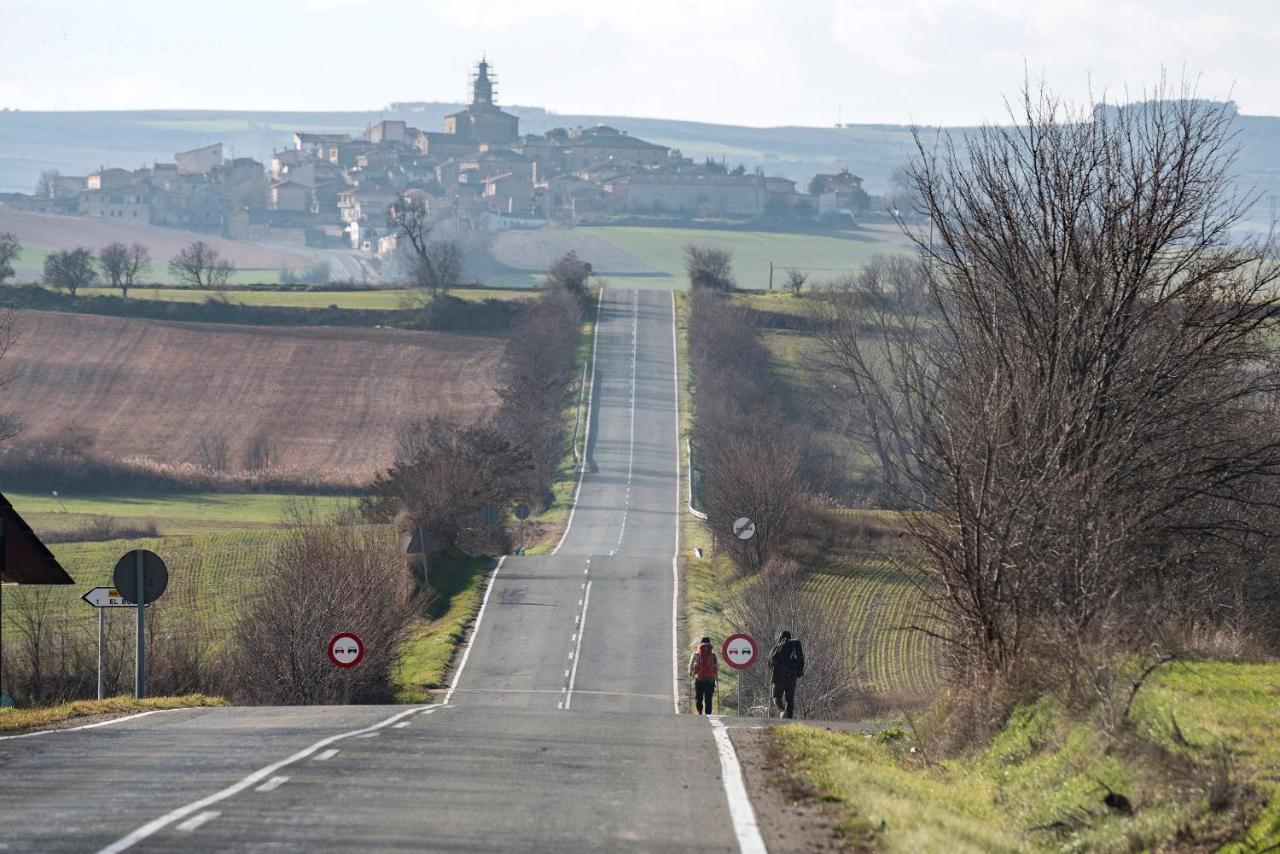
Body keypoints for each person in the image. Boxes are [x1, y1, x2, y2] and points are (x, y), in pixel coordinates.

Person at [768, 630, 804, 719]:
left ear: (780, 637)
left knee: (776, 696)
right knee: (789, 699)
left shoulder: (777, 647)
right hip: (793, 677)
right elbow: (801, 662)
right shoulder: (796, 648)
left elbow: (771, 662)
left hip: (779, 678)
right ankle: (789, 718)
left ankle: (782, 711)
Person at [688, 635, 718, 715]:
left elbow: (690, 666)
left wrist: (691, 672)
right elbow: (717, 667)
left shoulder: (696, 654)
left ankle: (700, 712)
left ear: (700, 643)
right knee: (708, 698)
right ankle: (708, 714)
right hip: (710, 679)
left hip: (699, 678)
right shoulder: (713, 654)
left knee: (699, 697)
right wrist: (714, 674)